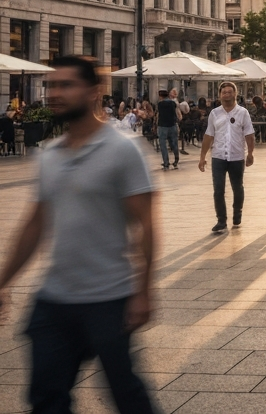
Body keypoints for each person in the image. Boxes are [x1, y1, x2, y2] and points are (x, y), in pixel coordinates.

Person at [0, 56, 156, 414]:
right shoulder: (49, 155)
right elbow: (35, 225)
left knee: (127, 396)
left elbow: (147, 225)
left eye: (65, 85)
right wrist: (3, 281)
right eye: (51, 85)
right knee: (45, 398)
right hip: (54, 298)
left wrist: (144, 291)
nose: (54, 93)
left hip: (109, 297)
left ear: (93, 92)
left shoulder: (123, 149)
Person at [197, 81, 255, 233]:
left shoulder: (243, 113)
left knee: (238, 187)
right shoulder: (214, 113)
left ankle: (237, 213)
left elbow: (249, 134)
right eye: (224, 92)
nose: (227, 95)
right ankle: (221, 220)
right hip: (218, 156)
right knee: (218, 189)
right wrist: (203, 156)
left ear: (235, 94)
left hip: (237, 156)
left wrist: (250, 153)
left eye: (230, 92)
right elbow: (209, 135)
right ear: (220, 95)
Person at [155, 88, 180, 171]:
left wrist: (155, 125)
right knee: (174, 144)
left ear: (160, 96)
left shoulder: (160, 104)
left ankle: (166, 163)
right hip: (172, 125)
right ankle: (176, 160)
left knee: (163, 145)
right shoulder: (173, 103)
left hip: (162, 126)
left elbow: (158, 115)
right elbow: (176, 114)